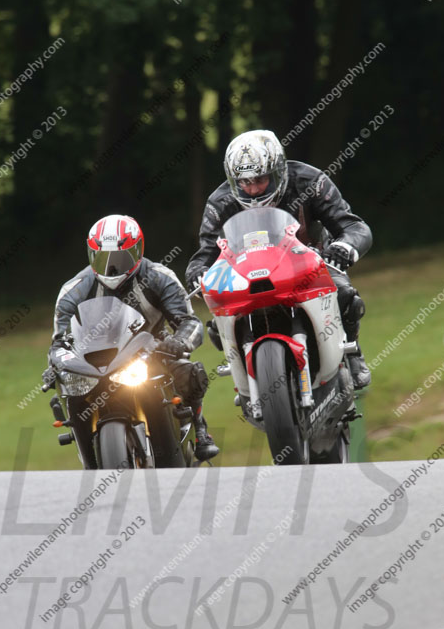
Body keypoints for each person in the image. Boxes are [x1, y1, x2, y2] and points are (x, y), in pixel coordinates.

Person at [185, 130, 372, 389]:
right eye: (243, 182)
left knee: (345, 295)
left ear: (278, 171)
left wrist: (344, 247)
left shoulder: (310, 181)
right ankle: (243, 377)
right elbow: (205, 252)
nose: (251, 189)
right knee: (218, 322)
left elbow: (354, 226)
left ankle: (352, 353)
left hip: (311, 262)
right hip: (246, 274)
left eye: (260, 180)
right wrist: (197, 271)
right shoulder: (219, 202)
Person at [44, 214, 219, 463]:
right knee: (66, 389)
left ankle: (201, 430)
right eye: (102, 258)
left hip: (152, 354)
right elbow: (59, 340)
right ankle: (87, 451)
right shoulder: (74, 289)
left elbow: (189, 322)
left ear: (137, 251)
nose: (110, 267)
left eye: (119, 258)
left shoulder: (160, 276)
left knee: (187, 371)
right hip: (95, 361)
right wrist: (56, 363)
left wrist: (178, 342)